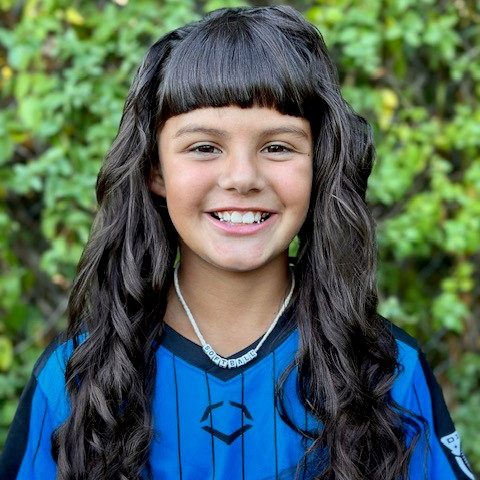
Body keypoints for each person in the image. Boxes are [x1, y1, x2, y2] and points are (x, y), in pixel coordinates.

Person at [0, 5, 475, 480]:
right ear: (155, 170)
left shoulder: (389, 373)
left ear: (319, 165)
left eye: (278, 147)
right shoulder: (74, 379)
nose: (242, 178)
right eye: (205, 147)